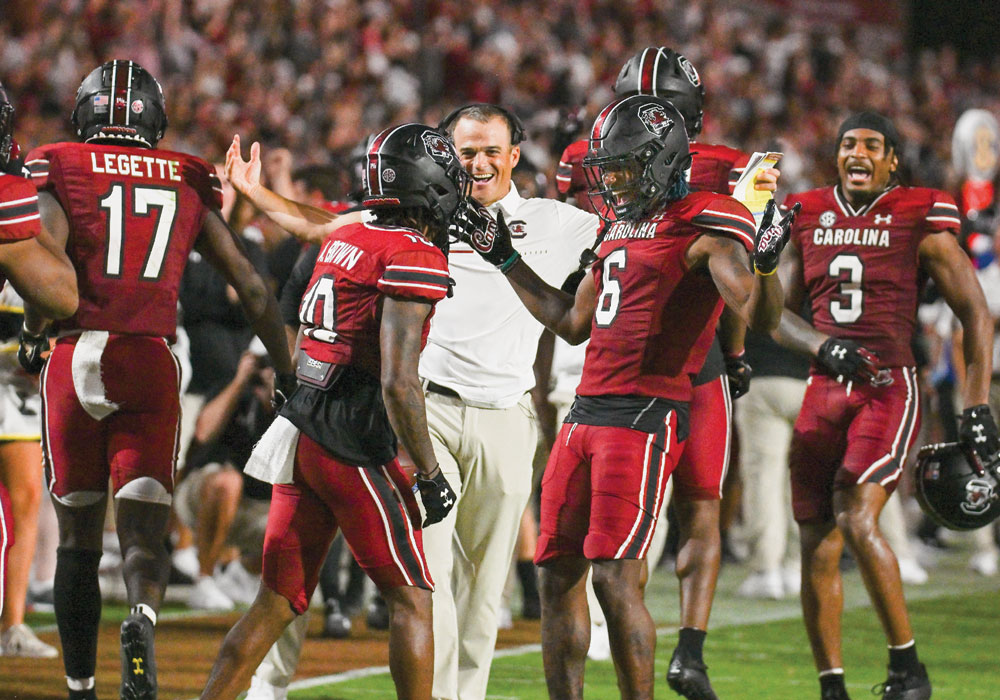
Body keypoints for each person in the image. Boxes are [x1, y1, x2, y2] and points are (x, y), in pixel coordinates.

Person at [453, 94, 795, 700]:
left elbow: (756, 312)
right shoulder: (618, 225)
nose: (610, 180)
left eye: (623, 167)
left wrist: (765, 266)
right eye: (606, 167)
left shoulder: (706, 224)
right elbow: (572, 322)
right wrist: (503, 256)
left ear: (660, 163)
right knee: (557, 573)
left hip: (642, 415)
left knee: (615, 578)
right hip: (584, 411)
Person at [19, 59, 293, 700]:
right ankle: (140, 620)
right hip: (149, 360)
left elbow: (50, 273)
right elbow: (251, 284)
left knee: (79, 542)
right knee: (145, 534)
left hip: (75, 357)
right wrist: (285, 369)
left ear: (85, 112)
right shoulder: (186, 175)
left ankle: (81, 685)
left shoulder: (59, 163)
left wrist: (34, 334)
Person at [198, 122, 466, 700]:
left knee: (274, 603)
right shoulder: (410, 253)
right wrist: (428, 470)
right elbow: (398, 382)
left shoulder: (353, 235)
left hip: (303, 424)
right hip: (353, 436)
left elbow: (309, 223)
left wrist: (256, 192)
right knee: (413, 598)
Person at [554, 46, 780, 698]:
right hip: (696, 356)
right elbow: (734, 275)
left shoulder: (585, 156)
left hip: (610, 347)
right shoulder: (735, 170)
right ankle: (690, 647)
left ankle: (621, 627)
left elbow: (584, 253)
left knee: (614, 517)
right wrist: (735, 354)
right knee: (697, 507)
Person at [773, 112, 998, 700]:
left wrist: (974, 405)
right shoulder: (810, 215)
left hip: (887, 385)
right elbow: (775, 316)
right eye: (848, 142)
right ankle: (832, 685)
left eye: (873, 145)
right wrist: (773, 271)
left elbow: (976, 312)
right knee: (814, 538)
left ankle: (908, 668)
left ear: (892, 160)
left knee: (854, 513)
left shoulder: (917, 214)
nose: (858, 152)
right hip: (824, 387)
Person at [422, 103, 598, 700]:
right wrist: (259, 199)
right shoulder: (418, 213)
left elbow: (634, 237)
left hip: (506, 414)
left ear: (514, 157)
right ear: (446, 154)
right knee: (430, 575)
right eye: (466, 150)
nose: (478, 162)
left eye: (491, 151)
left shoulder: (555, 222)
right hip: (428, 410)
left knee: (484, 583)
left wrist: (735, 211)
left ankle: (465, 695)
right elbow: (329, 230)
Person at [0, 80, 77, 657]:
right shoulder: (13, 197)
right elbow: (60, 294)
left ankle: (12, 623)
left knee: (27, 502)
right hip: (8, 376)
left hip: (10, 383)